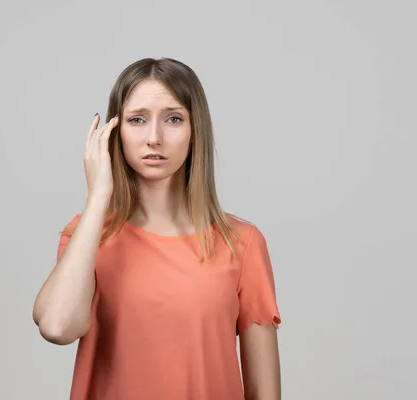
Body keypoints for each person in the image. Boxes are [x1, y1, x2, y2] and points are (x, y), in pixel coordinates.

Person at [32, 57, 282, 400]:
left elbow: (265, 394)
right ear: (114, 133)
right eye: (137, 120)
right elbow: (58, 327)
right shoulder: (87, 236)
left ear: (196, 132)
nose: (154, 138)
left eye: (174, 119)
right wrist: (98, 197)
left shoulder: (241, 243)